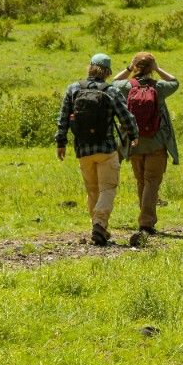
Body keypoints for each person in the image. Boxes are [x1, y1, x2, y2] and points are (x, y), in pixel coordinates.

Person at [56, 53, 140, 246]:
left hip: (82, 150)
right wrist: (134, 135)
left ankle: (97, 225)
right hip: (106, 148)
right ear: (108, 72)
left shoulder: (73, 89)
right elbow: (125, 117)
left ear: (90, 68)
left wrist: (61, 143)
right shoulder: (110, 91)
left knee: (92, 190)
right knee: (108, 188)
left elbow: (62, 119)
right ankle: (100, 225)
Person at [113, 52, 179, 248]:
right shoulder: (159, 87)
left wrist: (128, 68)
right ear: (151, 68)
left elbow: (114, 82)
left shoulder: (127, 87)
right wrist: (158, 69)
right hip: (156, 142)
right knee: (152, 181)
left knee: (141, 180)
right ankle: (146, 223)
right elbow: (175, 81)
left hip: (134, 142)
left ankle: (145, 218)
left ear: (135, 67)